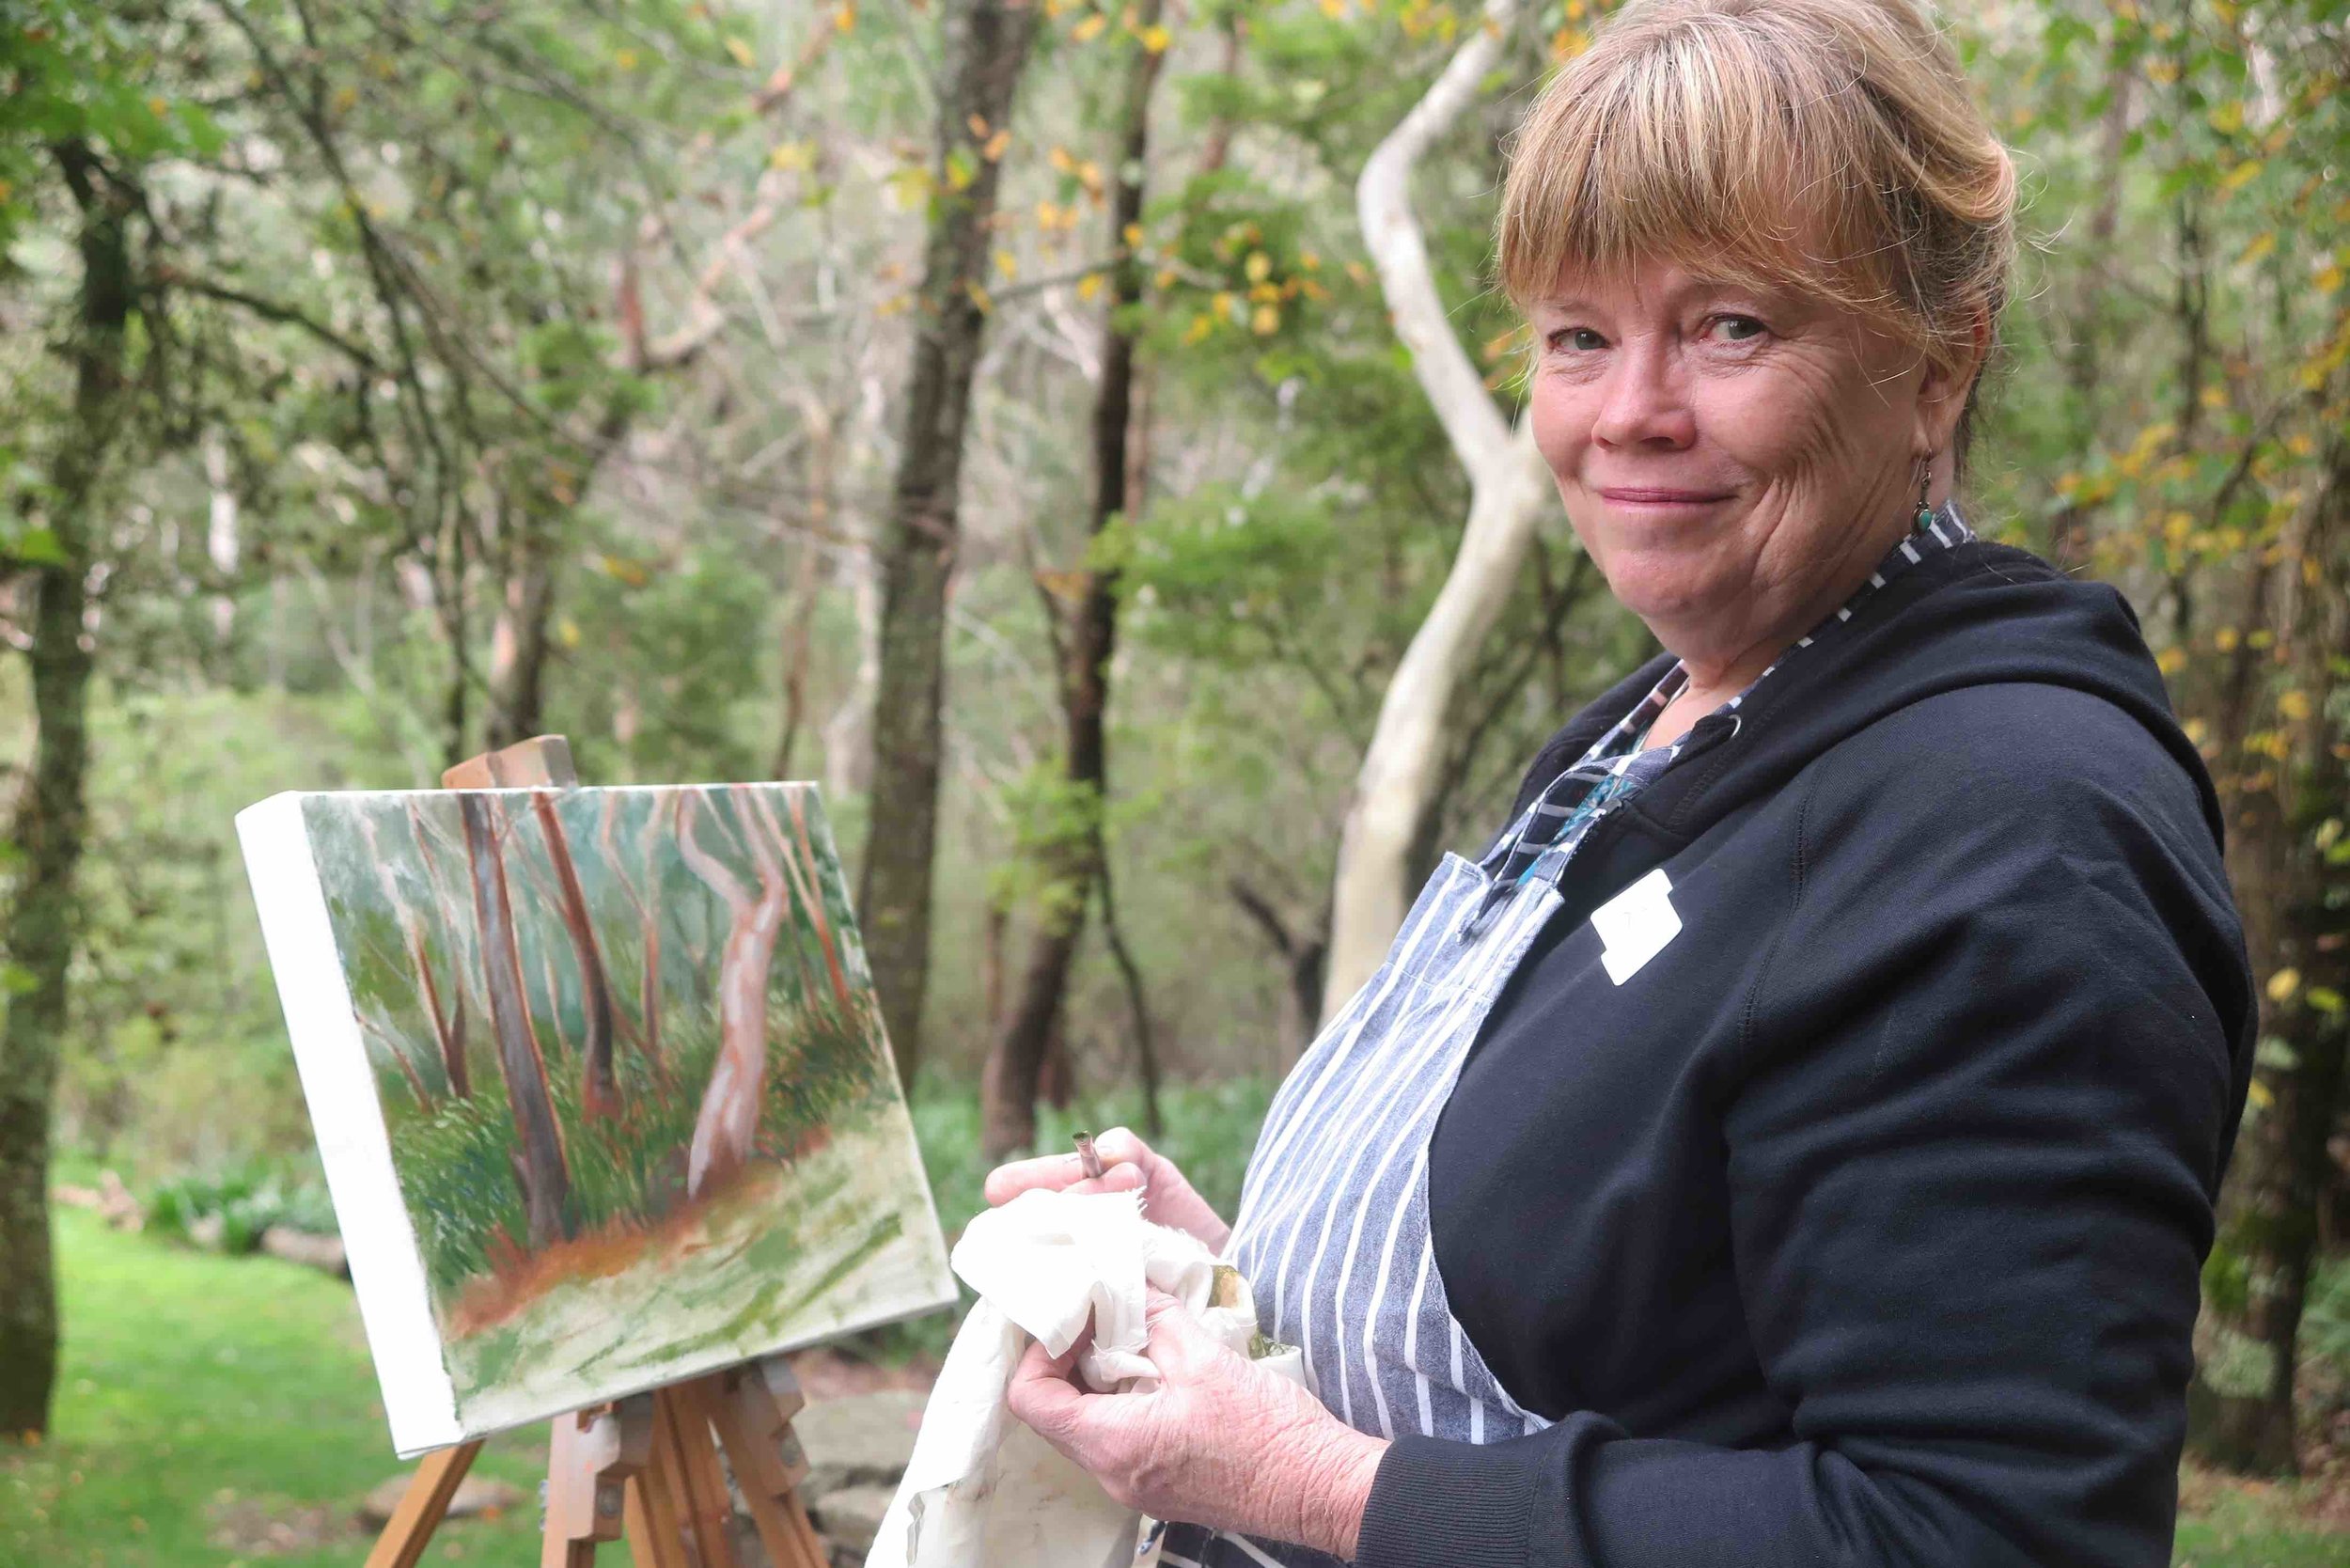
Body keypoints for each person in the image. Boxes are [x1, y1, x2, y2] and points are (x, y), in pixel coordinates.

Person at [984, 1, 2258, 1563]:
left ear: (1940, 358)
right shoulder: (1661, 721)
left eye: (1731, 326)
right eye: (1579, 335)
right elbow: (1618, 1276)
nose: (1629, 415)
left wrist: (1306, 1482)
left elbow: (1976, 1532)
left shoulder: (2013, 833)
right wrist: (1245, 1289)